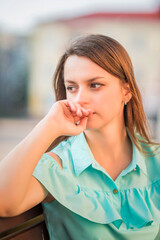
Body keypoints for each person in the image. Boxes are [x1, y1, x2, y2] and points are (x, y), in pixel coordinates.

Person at [0, 34, 160, 240]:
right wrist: (48, 125)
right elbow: (3, 202)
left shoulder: (156, 160)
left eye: (94, 85)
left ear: (126, 91)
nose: (79, 98)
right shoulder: (58, 168)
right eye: (71, 87)